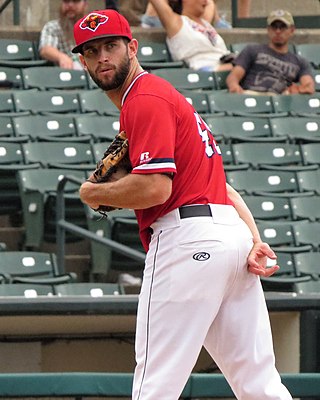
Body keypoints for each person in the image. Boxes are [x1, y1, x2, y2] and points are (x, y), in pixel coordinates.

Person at [73, 9, 293, 400]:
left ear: (133, 47)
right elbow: (223, 189)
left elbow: (156, 189)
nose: (102, 56)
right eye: (92, 51)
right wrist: (254, 239)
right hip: (229, 238)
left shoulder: (144, 98)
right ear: (83, 60)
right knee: (259, 383)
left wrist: (93, 193)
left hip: (188, 241)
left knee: (155, 382)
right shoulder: (169, 99)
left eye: (111, 45)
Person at [226, 9, 315, 95]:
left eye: (283, 27)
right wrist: (234, 87)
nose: (278, 31)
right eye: (274, 27)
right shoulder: (252, 50)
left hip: (280, 100)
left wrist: (297, 90)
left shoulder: (300, 62)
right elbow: (233, 77)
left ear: (291, 30)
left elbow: (308, 86)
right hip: (251, 94)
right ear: (268, 29)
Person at [146, 0, 233, 72]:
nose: (206, 1)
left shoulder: (205, 22)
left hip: (228, 66)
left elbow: (210, 3)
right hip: (201, 72)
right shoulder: (176, 22)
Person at [38, 0, 88, 69]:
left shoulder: (91, 28)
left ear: (85, 4)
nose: (70, 5)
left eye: (76, 1)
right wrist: (62, 57)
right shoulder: (53, 27)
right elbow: (46, 50)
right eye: (66, 1)